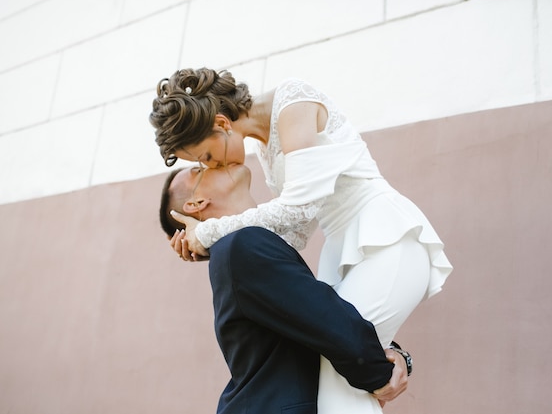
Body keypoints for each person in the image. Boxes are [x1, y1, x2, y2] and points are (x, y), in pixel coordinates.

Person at [150, 68, 453, 414]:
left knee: (341, 379)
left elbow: (297, 210)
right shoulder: (267, 150)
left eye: (205, 157)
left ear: (221, 123)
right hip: (342, 249)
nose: (214, 165)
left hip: (382, 234)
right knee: (340, 372)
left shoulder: (293, 103)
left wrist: (208, 231)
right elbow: (294, 240)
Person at [159, 164, 411, 413]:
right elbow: (327, 320)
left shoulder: (237, 249)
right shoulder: (240, 246)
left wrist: (392, 358)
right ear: (197, 203)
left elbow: (321, 317)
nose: (217, 162)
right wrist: (382, 373)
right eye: (200, 169)